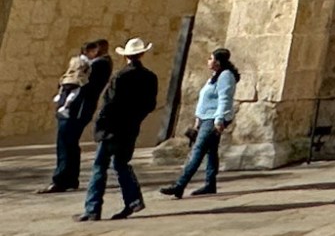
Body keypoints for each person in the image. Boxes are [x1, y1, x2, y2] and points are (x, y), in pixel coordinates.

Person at [80, 37, 157, 222]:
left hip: (112, 129)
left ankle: (93, 209)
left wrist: (100, 126)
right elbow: (149, 105)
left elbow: (109, 104)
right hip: (130, 128)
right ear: (142, 53)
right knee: (121, 164)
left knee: (100, 167)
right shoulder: (149, 77)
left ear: (126, 56)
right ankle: (133, 200)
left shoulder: (121, 77)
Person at [161, 48, 237, 199]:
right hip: (206, 118)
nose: (208, 61)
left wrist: (219, 119)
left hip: (213, 118)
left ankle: (180, 185)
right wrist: (198, 119)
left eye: (211, 58)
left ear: (218, 61)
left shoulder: (225, 76)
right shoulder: (214, 76)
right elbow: (205, 99)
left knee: (198, 150)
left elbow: (224, 99)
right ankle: (210, 183)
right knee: (211, 151)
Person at [45, 40, 110, 194]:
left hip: (77, 110)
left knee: (65, 142)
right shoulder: (96, 64)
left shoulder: (99, 65)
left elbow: (84, 84)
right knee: (70, 143)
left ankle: (62, 178)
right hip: (77, 109)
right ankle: (69, 178)